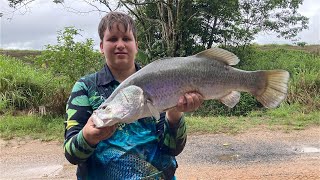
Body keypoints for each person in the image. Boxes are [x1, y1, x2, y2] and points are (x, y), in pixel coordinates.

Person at [64, 11, 204, 180]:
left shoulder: (160, 81)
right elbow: (71, 154)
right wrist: (87, 137)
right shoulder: (85, 87)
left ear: (136, 45)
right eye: (113, 39)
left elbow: (172, 149)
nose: (120, 44)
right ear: (102, 46)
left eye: (126, 38)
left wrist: (174, 115)